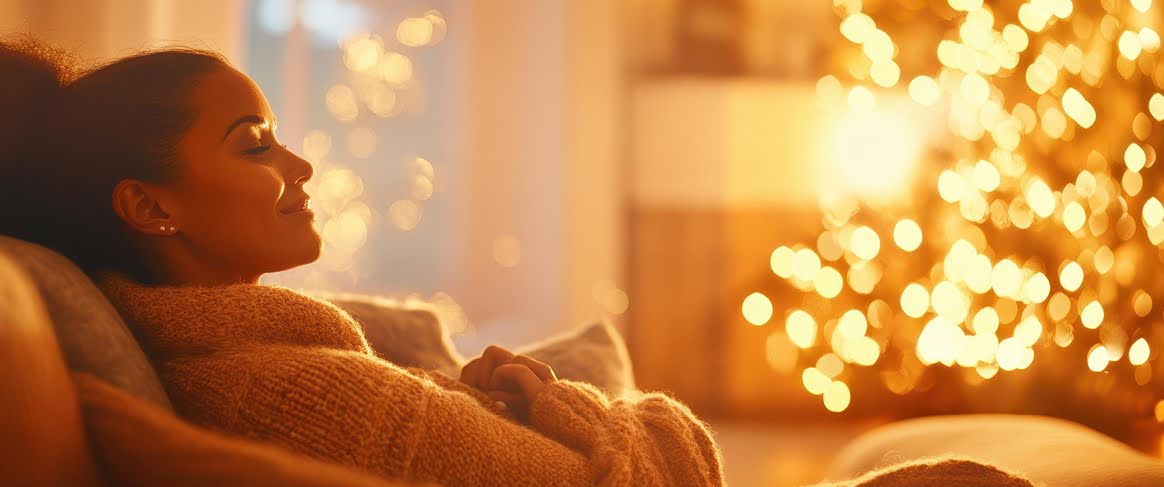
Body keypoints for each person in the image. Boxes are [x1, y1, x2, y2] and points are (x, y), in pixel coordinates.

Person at [0, 37, 725, 486]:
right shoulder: (309, 398)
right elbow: (676, 472)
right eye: (255, 144)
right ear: (152, 208)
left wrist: (495, 405)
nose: (303, 164)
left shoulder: (257, 356)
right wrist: (557, 398)